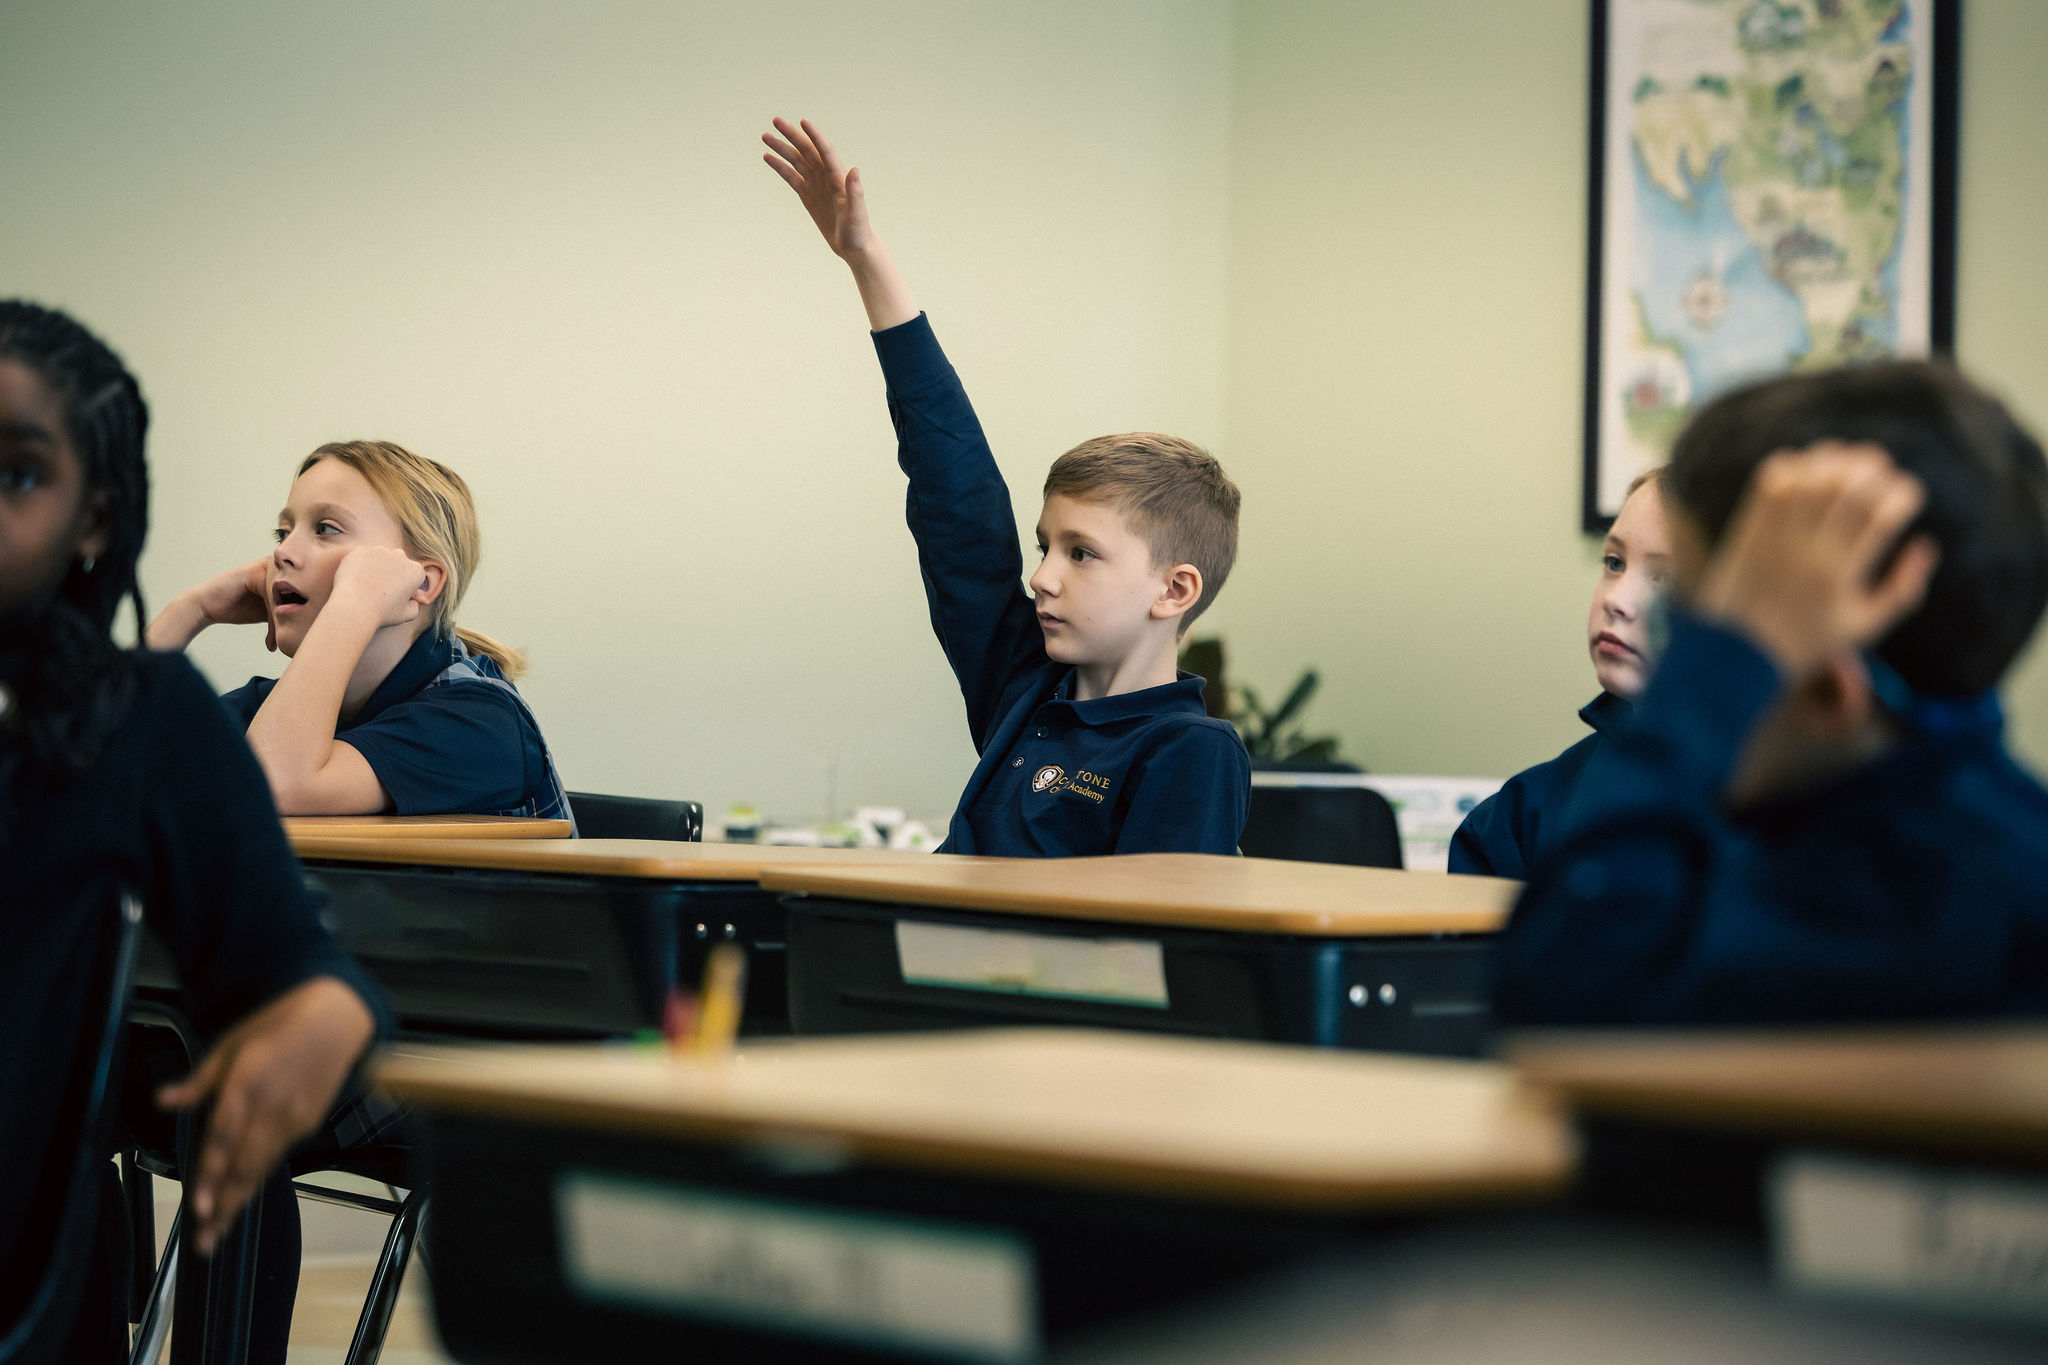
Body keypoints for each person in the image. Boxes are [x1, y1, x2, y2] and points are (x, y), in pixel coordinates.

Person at [0, 299, 382, 1361]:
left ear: (94, 522)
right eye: (283, 529)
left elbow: (296, 964)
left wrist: (316, 1014)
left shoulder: (136, 724)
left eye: (17, 475)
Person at [1496, 360, 2048, 1024]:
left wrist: (1715, 676)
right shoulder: (2003, 832)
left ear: (1825, 694)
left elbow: (1558, 997)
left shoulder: (1873, 897)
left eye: (1692, 633)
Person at [762, 117, 1249, 855]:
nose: (1042, 576)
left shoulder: (1191, 751)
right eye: (1045, 546)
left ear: (1174, 590)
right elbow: (958, 500)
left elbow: (1150, 957)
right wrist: (866, 261)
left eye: (1081, 553)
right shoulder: (1025, 689)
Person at [146, 440, 572, 822]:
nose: (282, 551)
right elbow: (100, 764)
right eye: (282, 531)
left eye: (325, 529)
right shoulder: (275, 715)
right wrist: (190, 611)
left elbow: (273, 782)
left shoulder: (483, 721)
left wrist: (355, 605)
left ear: (421, 582)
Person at [1450, 470, 1673, 878]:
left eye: (1665, 578)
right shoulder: (1519, 817)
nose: (1617, 600)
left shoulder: (1794, 812)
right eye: (1614, 562)